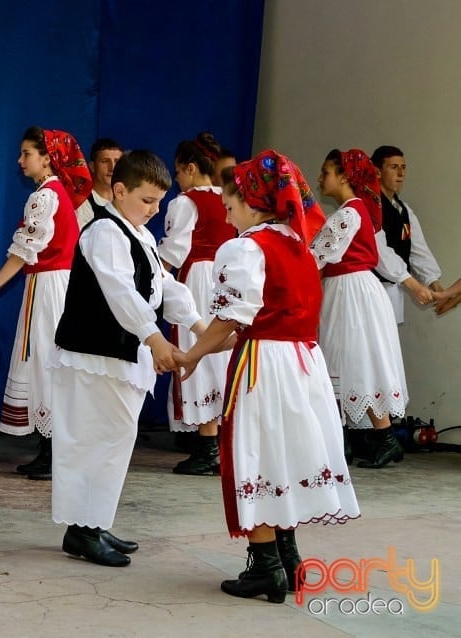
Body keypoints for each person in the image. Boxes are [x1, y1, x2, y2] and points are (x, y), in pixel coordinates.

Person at [175, 150, 360, 603]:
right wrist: (197, 352)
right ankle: (288, 556)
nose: (225, 208)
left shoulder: (245, 247)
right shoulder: (297, 242)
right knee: (285, 455)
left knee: (254, 454)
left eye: (231, 199)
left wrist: (193, 355)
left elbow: (232, 319)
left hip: (263, 364)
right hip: (302, 363)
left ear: (252, 200)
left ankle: (266, 565)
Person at [51, 150, 204, 566]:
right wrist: (155, 339)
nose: (154, 210)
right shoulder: (104, 231)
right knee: (92, 440)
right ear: (119, 190)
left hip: (118, 356)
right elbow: (121, 292)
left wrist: (198, 324)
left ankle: (94, 522)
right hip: (94, 353)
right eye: (147, 200)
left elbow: (162, 287)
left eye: (158, 202)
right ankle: (81, 530)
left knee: (114, 440)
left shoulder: (138, 234)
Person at [0, 127, 91, 481]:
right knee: (49, 360)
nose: (20, 160)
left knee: (45, 358)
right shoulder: (60, 195)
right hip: (57, 284)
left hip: (49, 286)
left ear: (47, 157)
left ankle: (54, 449)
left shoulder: (44, 197)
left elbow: (25, 250)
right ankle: (52, 446)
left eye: (27, 153)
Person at [312, 148, 412, 469]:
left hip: (351, 292)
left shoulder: (349, 213)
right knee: (352, 360)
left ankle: (361, 442)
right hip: (354, 289)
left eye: (326, 172)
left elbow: (316, 256)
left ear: (344, 176)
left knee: (347, 358)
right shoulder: (356, 210)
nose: (319, 178)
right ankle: (367, 441)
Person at [158, 132, 234, 475]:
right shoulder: (226, 197)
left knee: (198, 348)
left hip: (199, 281)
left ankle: (206, 446)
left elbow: (174, 250)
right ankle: (215, 439)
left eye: (178, 172)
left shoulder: (185, 202)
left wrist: (153, 275)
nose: (176, 180)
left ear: (190, 168)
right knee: (220, 353)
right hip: (225, 278)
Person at [370, 146, 442, 321]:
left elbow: (417, 250)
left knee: (390, 344)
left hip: (394, 288)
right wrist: (413, 285)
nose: (401, 173)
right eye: (394, 167)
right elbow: (380, 251)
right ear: (377, 172)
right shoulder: (369, 207)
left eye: (403, 167)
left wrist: (435, 284)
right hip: (371, 287)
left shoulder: (404, 211)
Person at [73, 138, 123, 228]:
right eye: (105, 161)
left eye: (117, 162)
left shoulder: (127, 201)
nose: (112, 168)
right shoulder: (82, 204)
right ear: (92, 167)